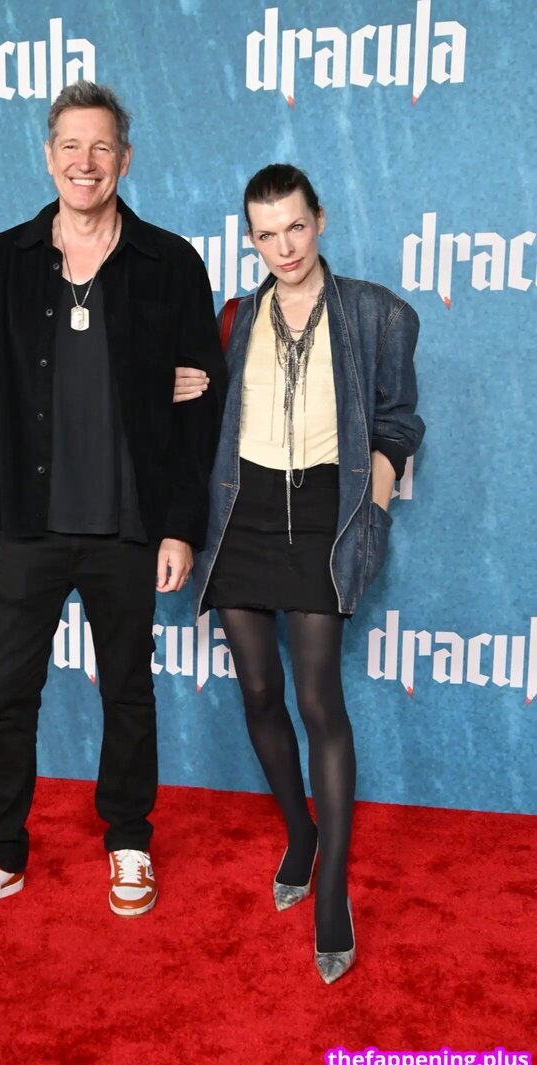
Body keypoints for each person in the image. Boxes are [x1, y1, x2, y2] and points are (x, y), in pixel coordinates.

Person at [0, 81, 224, 926]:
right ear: (48, 156)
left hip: (130, 527)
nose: (84, 162)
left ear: (124, 158)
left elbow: (202, 405)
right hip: (27, 524)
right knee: (5, 691)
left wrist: (179, 526)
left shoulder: (170, 263)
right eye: (69, 146)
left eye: (101, 147)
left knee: (127, 691)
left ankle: (128, 838)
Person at [190, 164, 424, 983]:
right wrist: (186, 390)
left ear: (319, 219)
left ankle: (331, 890)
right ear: (250, 239)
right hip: (242, 515)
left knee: (319, 699)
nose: (284, 246)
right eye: (266, 234)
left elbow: (397, 423)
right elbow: (207, 417)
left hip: (326, 518)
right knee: (259, 691)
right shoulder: (234, 318)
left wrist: (375, 508)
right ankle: (300, 832)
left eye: (295, 226)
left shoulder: (377, 314)